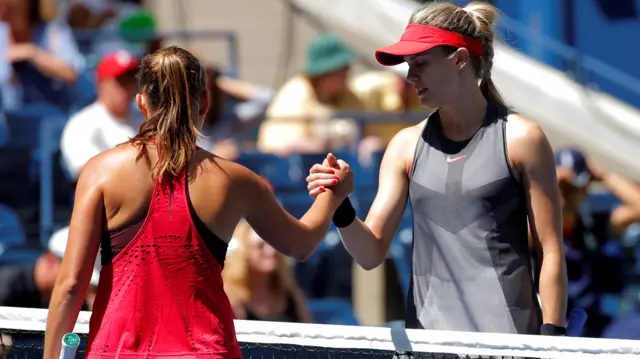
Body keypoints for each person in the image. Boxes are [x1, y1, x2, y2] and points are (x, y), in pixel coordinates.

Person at [43, 45, 353, 359]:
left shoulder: (99, 171)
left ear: (141, 103)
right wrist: (332, 192)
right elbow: (302, 244)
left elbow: (70, 285)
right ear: (205, 101)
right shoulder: (237, 181)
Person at [306, 1, 568, 335]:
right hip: (429, 345)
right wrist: (340, 206)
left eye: (421, 63)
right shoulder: (404, 146)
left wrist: (552, 340)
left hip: (510, 346)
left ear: (460, 59)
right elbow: (370, 253)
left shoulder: (522, 138)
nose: (410, 76)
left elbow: (550, 251)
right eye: (408, 65)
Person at [554, 147, 640, 337]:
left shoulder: (593, 224)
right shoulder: (538, 226)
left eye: (571, 188)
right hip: (554, 321)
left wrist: (603, 176)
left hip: (592, 321)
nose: (564, 195)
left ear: (584, 190)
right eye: (559, 187)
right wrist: (550, 184)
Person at [61, 50, 142, 179]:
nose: (127, 87)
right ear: (102, 84)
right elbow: (89, 173)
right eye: (120, 81)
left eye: (131, 81)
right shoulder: (82, 123)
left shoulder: (145, 120)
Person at [223, 220, 311, 323]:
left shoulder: (291, 295)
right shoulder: (229, 298)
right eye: (260, 246)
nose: (271, 251)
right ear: (242, 253)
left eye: (274, 245)